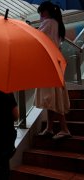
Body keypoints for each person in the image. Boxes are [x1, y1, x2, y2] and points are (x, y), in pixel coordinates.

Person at [35, 1, 71, 140]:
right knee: (54, 96)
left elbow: (38, 39)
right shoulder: (56, 24)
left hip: (49, 64)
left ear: (47, 12)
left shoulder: (48, 22)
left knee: (53, 98)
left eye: (41, 12)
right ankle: (49, 128)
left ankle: (64, 129)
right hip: (55, 62)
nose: (41, 15)